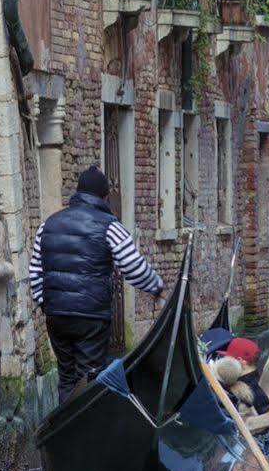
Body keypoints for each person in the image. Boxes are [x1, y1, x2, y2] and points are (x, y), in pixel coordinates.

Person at [27, 166, 167, 393]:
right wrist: (156, 286)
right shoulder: (110, 226)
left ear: (78, 192)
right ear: (104, 196)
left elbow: (34, 271)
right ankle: (86, 427)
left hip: (56, 316)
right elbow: (133, 267)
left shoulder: (48, 224)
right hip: (90, 316)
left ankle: (65, 426)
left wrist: (46, 303)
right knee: (89, 377)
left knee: (66, 377)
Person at [210, 337, 269, 457]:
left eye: (228, 358)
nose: (225, 360)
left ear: (241, 361)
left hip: (247, 437)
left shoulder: (248, 392)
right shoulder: (254, 381)